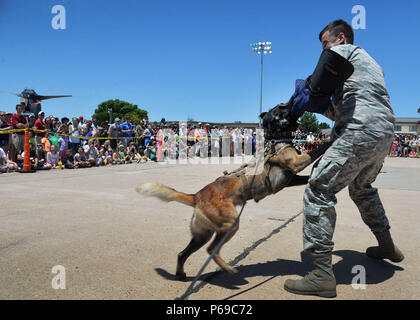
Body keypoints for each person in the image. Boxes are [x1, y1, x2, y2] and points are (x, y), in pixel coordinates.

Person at [279, 19, 404, 298]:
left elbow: (319, 80)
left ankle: (322, 275)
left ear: (341, 37)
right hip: (383, 134)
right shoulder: (370, 66)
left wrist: (301, 96)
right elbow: (345, 105)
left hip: (359, 131)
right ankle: (386, 244)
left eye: (325, 42)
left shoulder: (346, 51)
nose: (323, 49)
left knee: (318, 190)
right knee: (362, 189)